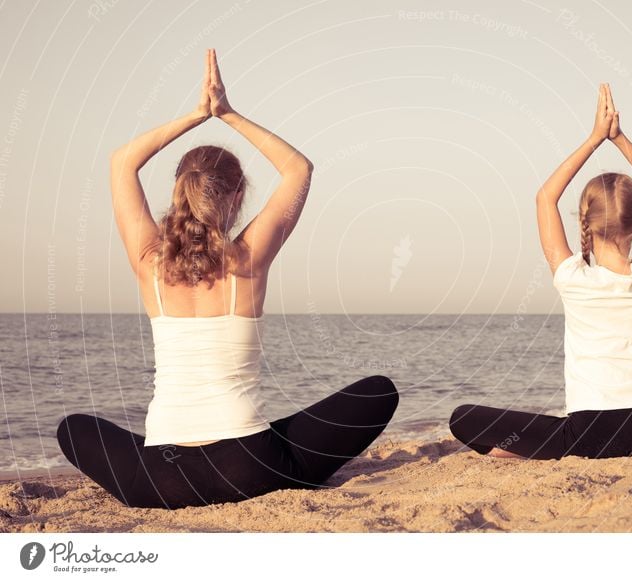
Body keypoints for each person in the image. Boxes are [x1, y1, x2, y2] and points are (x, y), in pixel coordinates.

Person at [56, 49, 398, 509]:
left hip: (162, 480)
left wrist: (196, 115)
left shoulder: (149, 263)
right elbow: (299, 168)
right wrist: (227, 113)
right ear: (237, 196)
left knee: (72, 428)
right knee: (379, 391)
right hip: (251, 469)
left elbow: (122, 163)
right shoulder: (248, 260)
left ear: (178, 192)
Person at [449, 83, 632, 460]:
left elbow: (544, 197)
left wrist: (595, 138)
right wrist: (619, 139)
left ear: (584, 223)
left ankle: (521, 451)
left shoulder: (573, 279)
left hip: (584, 436)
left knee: (463, 419)